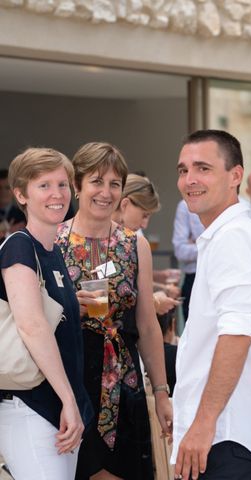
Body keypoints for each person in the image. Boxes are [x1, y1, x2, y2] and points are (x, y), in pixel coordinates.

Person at [56, 142, 172, 480]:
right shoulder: (53, 242)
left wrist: (162, 393)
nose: (106, 192)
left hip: (123, 380)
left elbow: (148, 326)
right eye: (96, 181)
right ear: (77, 185)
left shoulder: (133, 244)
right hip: (69, 380)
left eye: (114, 184)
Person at [171, 130, 251, 480]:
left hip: (226, 437)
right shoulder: (224, 235)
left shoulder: (234, 237)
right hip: (223, 435)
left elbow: (237, 334)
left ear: (235, 176)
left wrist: (203, 424)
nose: (190, 180)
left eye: (203, 168)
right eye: (183, 169)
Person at [0, 148, 92, 479]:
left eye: (63, 184)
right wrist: (69, 399)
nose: (57, 194)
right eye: (44, 186)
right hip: (32, 408)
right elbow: (32, 325)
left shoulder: (51, 251)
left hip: (58, 413)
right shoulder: (20, 246)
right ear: (21, 194)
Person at [112, 173, 180, 316]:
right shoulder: (100, 238)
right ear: (125, 204)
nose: (144, 224)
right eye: (144, 215)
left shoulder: (123, 240)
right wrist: (154, 303)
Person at [172, 199, 204, 322]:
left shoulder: (239, 205)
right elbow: (180, 250)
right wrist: (212, 245)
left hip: (224, 275)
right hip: (194, 278)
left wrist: (197, 243)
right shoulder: (186, 205)